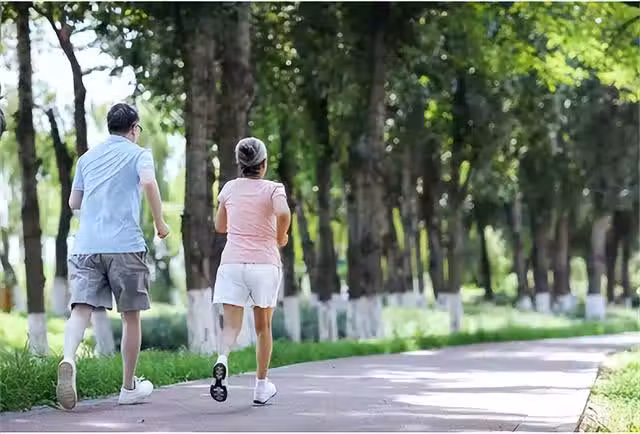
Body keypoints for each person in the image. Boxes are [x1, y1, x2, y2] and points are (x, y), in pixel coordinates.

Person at [56, 103, 170, 410]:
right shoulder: (139, 154)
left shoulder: (87, 158)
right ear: (133, 128)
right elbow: (149, 182)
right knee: (131, 316)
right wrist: (160, 224)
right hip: (125, 245)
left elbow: (74, 202)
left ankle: (68, 359)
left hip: (87, 246)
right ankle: (128, 387)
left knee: (81, 309)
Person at [210, 137, 291, 406]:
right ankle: (261, 387)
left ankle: (222, 359)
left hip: (232, 264)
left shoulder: (229, 188)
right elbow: (283, 213)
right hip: (264, 265)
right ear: (263, 164)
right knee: (262, 327)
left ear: (240, 164)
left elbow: (220, 226)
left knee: (231, 326)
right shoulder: (274, 189)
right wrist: (281, 236)